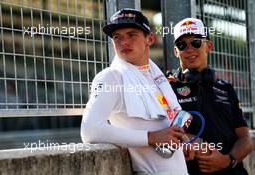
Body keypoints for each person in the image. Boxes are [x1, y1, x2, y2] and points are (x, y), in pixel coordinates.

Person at [81, 8, 189, 175]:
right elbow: (90, 131)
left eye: (132, 34)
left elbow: (165, 124)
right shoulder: (111, 77)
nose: (124, 42)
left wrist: (181, 140)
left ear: (150, 39)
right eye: (117, 37)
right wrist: (151, 138)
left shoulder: (157, 77)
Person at [167, 17, 253, 175]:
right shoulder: (166, 88)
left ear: (209, 46)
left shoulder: (226, 88)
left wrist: (228, 160)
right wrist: (196, 143)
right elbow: (159, 130)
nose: (189, 49)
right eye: (182, 45)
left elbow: (245, 139)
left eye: (196, 42)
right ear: (175, 51)